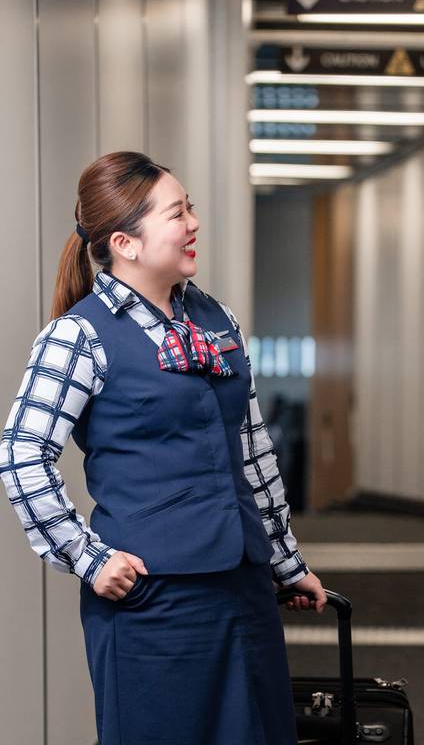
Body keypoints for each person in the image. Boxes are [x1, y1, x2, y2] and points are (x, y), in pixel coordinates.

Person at [0, 151, 324, 745]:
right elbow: (22, 454)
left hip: (243, 591)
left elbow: (251, 448)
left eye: (190, 208)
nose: (193, 223)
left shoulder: (215, 318)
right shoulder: (79, 335)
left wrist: (284, 560)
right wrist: (89, 558)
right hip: (154, 602)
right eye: (178, 213)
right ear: (125, 241)